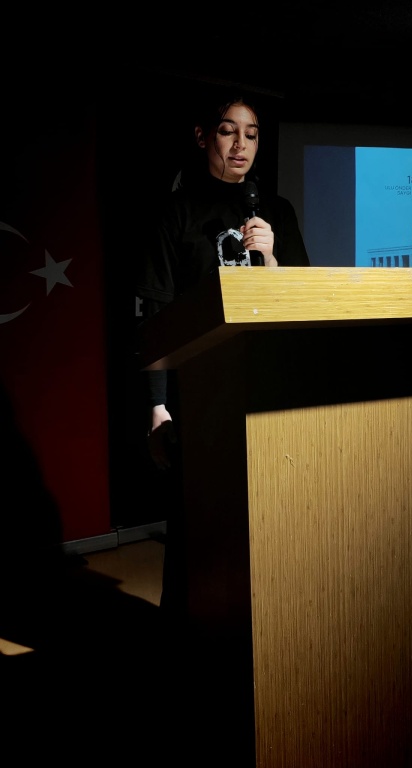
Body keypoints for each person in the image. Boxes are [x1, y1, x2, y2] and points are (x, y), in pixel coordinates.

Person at [135, 89, 310, 615]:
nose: (241, 145)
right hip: (198, 388)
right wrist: (158, 404)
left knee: (269, 511)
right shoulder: (176, 211)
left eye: (251, 135)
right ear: (202, 137)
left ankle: (266, 620)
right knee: (197, 516)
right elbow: (155, 313)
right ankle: (187, 626)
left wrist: (271, 259)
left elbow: (301, 299)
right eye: (229, 131)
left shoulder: (275, 211)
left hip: (264, 382)